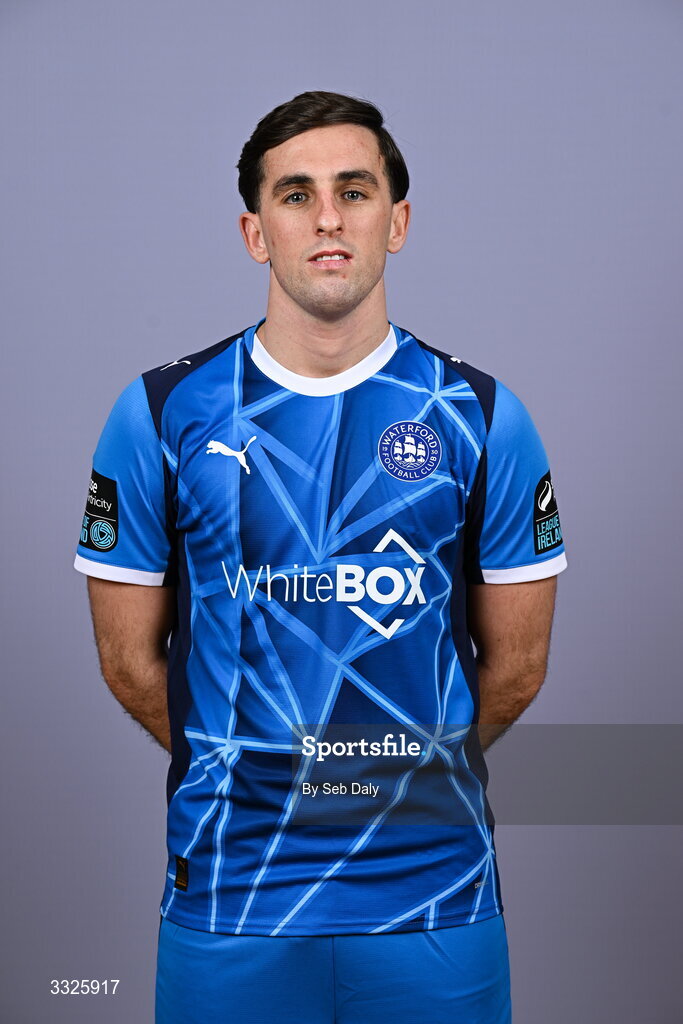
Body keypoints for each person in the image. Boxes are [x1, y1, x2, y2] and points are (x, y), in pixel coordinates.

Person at [74, 90, 567, 1023]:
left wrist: (395, 774)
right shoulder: (159, 414)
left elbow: (518, 667)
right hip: (232, 896)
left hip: (435, 895)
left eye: (355, 190)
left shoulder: (482, 416)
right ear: (255, 233)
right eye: (296, 195)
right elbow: (128, 660)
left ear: (397, 222)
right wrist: (254, 771)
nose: (328, 217)